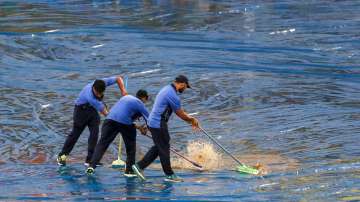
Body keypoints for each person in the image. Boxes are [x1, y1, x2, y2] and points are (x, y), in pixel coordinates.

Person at [132, 75, 199, 182]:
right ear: (182, 84)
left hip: (153, 122)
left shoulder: (166, 88)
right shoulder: (172, 94)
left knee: (160, 146)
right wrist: (192, 120)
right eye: (186, 87)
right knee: (164, 148)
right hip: (158, 122)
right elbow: (180, 113)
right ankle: (169, 175)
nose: (185, 89)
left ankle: (139, 166)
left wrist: (190, 120)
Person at [57, 76, 127, 166]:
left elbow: (118, 78)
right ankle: (62, 156)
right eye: (97, 93)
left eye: (100, 93)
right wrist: (120, 120)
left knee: (94, 134)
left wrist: (123, 91)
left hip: (92, 110)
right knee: (75, 135)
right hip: (80, 112)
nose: (99, 95)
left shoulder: (102, 83)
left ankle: (90, 160)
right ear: (93, 88)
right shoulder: (91, 97)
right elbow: (106, 114)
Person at [86, 90, 150, 176]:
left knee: (102, 144)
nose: (146, 102)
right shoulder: (140, 104)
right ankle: (129, 171)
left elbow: (123, 116)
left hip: (109, 120)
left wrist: (139, 127)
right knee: (131, 148)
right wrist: (146, 130)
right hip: (124, 123)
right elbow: (150, 121)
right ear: (144, 98)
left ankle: (91, 166)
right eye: (146, 99)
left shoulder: (126, 98)